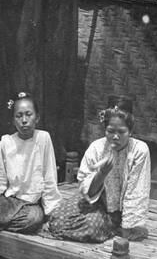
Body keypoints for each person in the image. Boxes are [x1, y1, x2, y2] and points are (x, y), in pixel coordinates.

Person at [48, 95, 150, 242]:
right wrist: (101, 174)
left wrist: (128, 226)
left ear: (131, 131)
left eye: (121, 132)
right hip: (94, 202)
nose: (115, 137)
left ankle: (112, 226)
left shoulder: (139, 150)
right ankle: (103, 226)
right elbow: (86, 190)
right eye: (110, 131)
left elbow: (137, 190)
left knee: (90, 226)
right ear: (104, 129)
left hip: (121, 212)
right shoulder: (97, 148)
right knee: (58, 218)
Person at [0, 91, 61, 232]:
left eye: (28, 114)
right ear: (13, 120)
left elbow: (49, 178)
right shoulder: (6, 143)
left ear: (37, 117)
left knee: (34, 218)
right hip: (9, 201)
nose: (24, 120)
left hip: (31, 204)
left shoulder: (43, 139)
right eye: (19, 116)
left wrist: (50, 213)